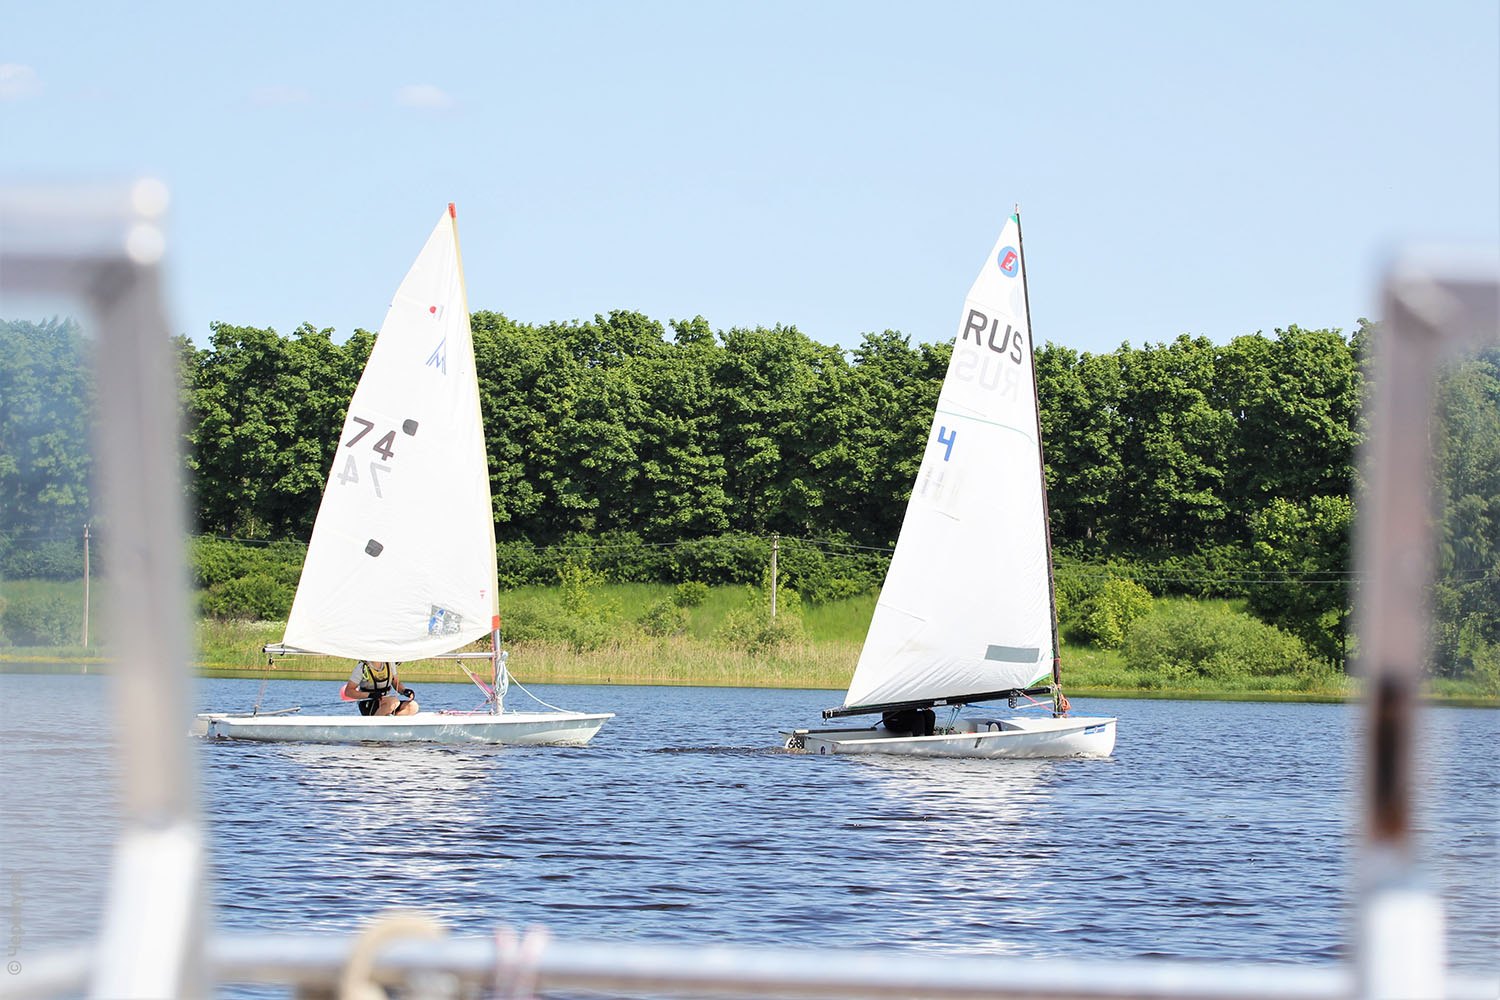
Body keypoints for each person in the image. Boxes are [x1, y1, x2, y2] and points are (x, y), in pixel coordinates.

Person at [343, 660, 419, 716]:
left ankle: (392, 726)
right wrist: (370, 695)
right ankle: (373, 728)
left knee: (413, 706)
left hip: (387, 702)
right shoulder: (362, 667)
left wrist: (404, 691)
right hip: (368, 703)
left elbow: (396, 683)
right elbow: (348, 691)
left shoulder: (390, 663)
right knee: (393, 702)